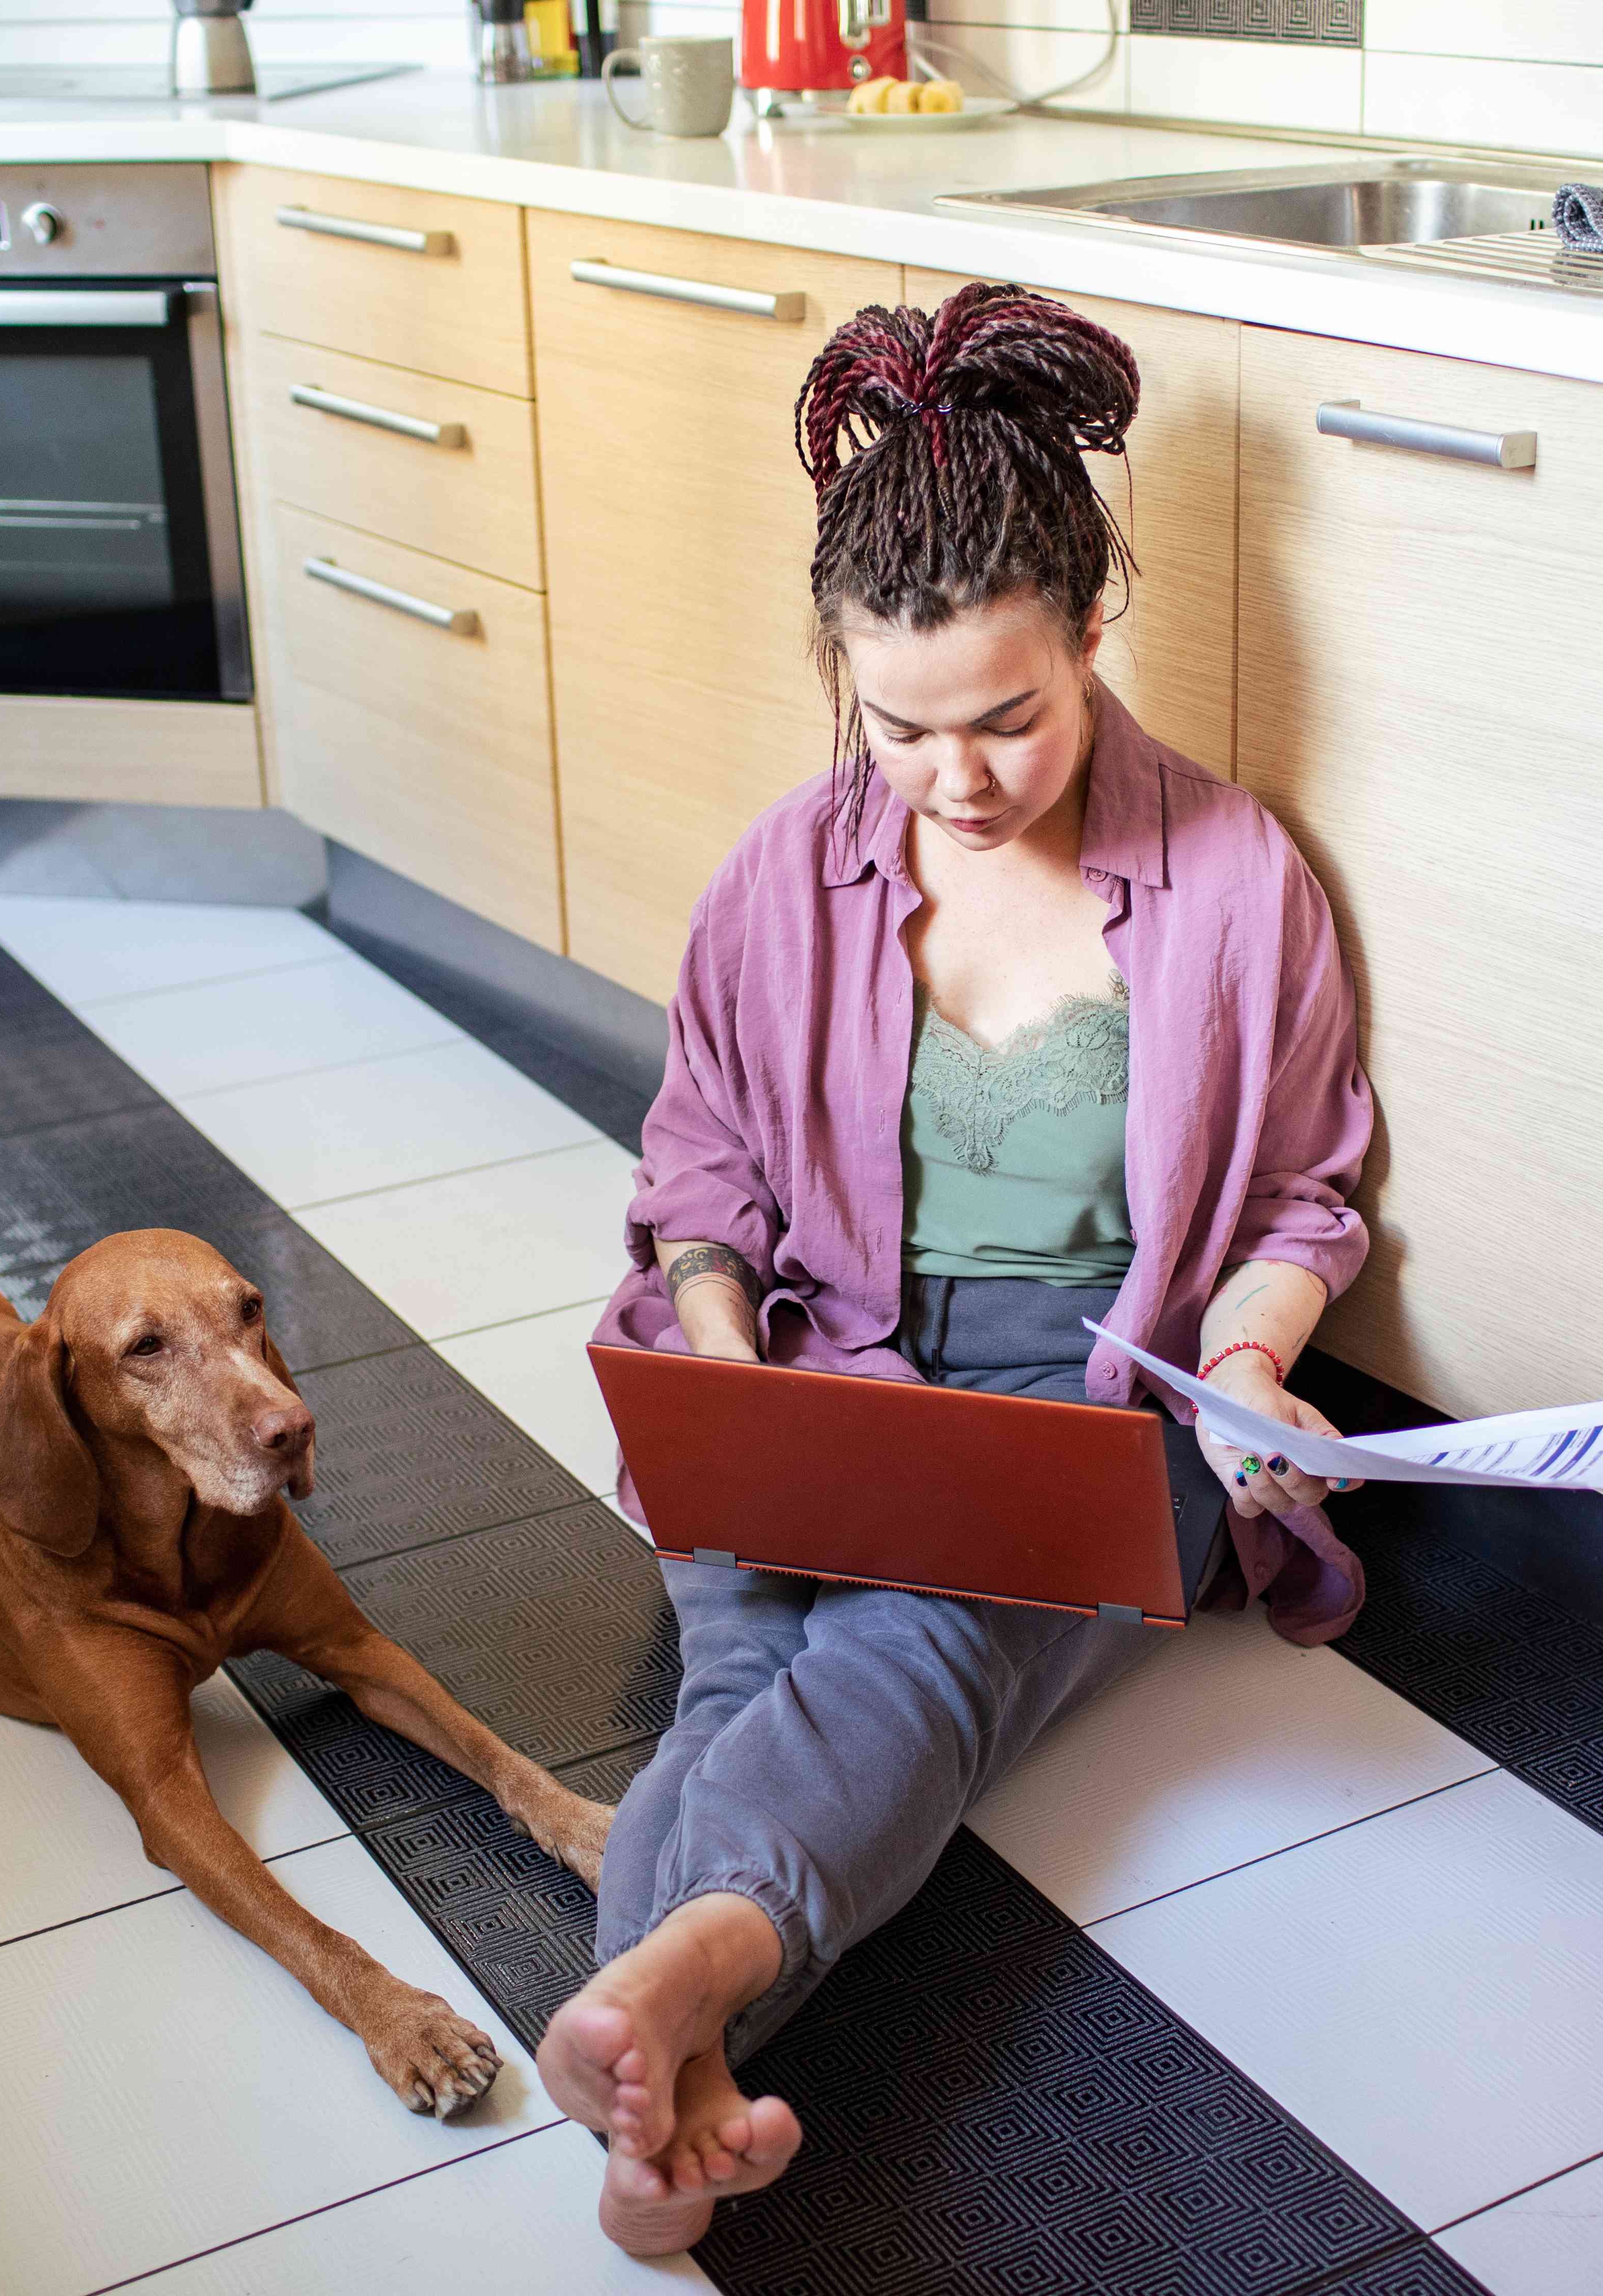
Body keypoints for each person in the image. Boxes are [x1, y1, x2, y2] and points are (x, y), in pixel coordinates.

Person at [538, 281, 1378, 2254]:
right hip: (823, 1369)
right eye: (900, 727)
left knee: (908, 1638)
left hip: (1097, 1417)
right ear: (840, 669)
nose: (960, 779)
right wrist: (738, 1369)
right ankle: (678, 2069)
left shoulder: (1239, 882)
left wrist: (1252, 1366)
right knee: (749, 1633)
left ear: (1094, 636)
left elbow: (1307, 1200)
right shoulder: (784, 872)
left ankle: (663, 2007)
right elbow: (704, 1165)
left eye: (1011, 717)